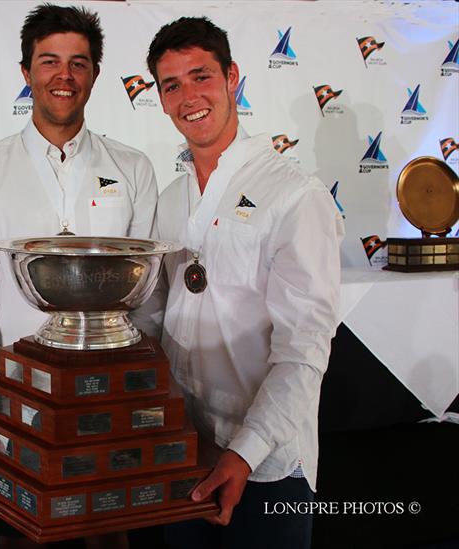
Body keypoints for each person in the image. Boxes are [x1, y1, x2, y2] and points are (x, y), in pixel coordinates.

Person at [144, 17, 344, 549]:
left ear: (233, 78)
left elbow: (304, 350)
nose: (189, 96)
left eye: (201, 76)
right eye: (171, 85)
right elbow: (155, 321)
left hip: (268, 464)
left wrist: (243, 452)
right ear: (161, 100)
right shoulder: (169, 200)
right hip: (185, 454)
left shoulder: (294, 195)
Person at [0, 3, 158, 410]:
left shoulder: (133, 167)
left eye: (78, 64)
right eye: (49, 62)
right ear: (27, 72)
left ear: (95, 75)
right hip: (17, 388)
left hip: (113, 385)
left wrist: (142, 387)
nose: (64, 76)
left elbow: (149, 297)